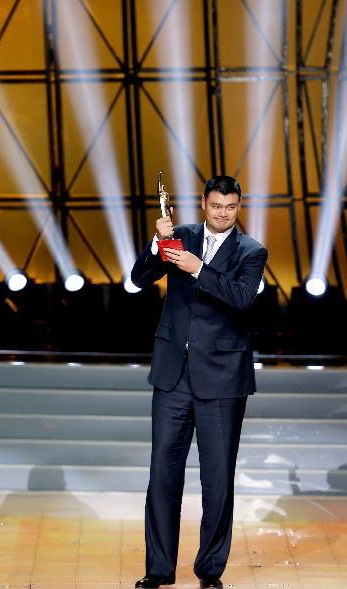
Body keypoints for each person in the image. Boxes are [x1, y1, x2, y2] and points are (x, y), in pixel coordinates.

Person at [130, 175, 268, 589]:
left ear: (238, 206)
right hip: (174, 374)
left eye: (230, 207)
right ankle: (158, 569)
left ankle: (209, 571)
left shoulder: (251, 250)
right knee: (163, 474)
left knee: (217, 478)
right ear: (202, 203)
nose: (223, 213)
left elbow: (242, 298)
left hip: (223, 378)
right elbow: (140, 278)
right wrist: (159, 243)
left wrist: (198, 269)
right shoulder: (182, 235)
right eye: (216, 206)